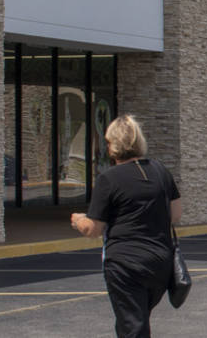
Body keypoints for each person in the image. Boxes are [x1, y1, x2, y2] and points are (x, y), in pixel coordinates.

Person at [71, 115, 183, 338]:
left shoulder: (109, 179)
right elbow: (175, 215)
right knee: (137, 320)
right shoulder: (160, 172)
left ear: (113, 145)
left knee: (132, 326)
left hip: (126, 265)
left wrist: (78, 220)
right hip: (160, 263)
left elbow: (93, 229)